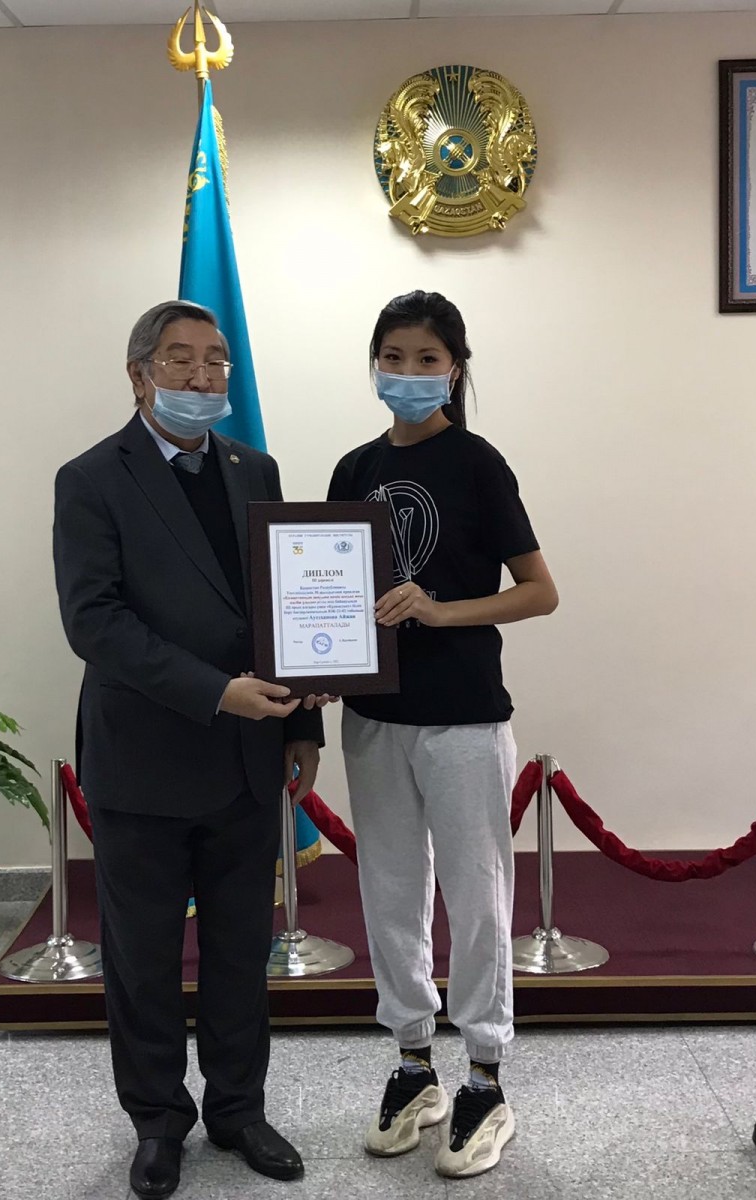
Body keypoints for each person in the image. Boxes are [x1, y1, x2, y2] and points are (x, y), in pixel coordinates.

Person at [53, 300, 326, 1199]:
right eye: (180, 361)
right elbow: (95, 622)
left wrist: (301, 724)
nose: (203, 377)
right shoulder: (91, 478)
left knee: (242, 951)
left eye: (216, 361)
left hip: (250, 759)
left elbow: (287, 605)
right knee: (143, 960)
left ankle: (239, 1111)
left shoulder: (256, 468)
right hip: (144, 762)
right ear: (140, 376)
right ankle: (158, 1121)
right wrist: (214, 691)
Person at [327, 290, 559, 1180]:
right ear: (374, 365)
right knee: (390, 893)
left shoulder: (478, 463)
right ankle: (414, 1064)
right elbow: (325, 588)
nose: (409, 373)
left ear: (455, 369)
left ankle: (486, 1078)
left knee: (477, 896)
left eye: (427, 359)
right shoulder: (353, 468)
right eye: (393, 357)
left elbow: (539, 591)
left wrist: (438, 609)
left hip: (464, 716)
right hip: (372, 717)